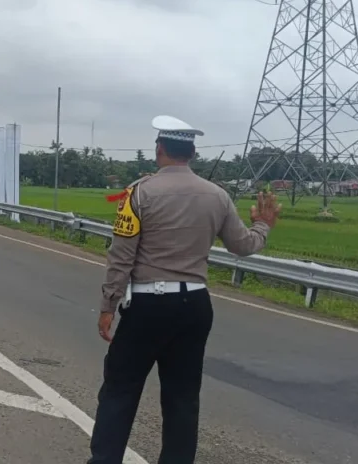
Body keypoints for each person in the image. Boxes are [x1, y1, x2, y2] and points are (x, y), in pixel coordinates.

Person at [87, 115, 281, 464]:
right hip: (194, 305)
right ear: (191, 152)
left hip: (147, 306)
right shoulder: (218, 196)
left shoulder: (138, 193)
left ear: (159, 149)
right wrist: (263, 225)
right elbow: (243, 245)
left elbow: (121, 256)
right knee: (182, 398)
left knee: (120, 389)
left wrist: (108, 305)